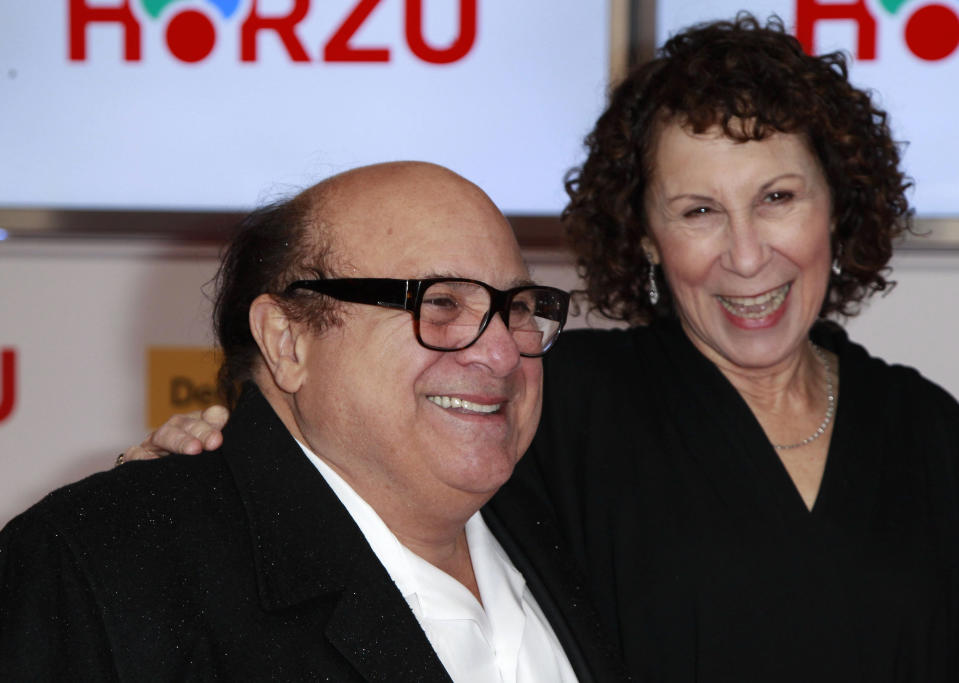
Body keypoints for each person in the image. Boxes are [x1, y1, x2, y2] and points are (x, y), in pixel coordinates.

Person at [136, 16, 959, 682]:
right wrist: (214, 472)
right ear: (643, 236)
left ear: (835, 207)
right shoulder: (542, 400)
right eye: (697, 211)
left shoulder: (926, 431)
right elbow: (342, 505)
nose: (744, 255)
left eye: (776, 198)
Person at [0, 162, 630, 681]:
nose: (499, 353)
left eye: (517, 308)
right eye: (440, 304)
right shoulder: (106, 569)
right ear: (287, 342)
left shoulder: (580, 532)